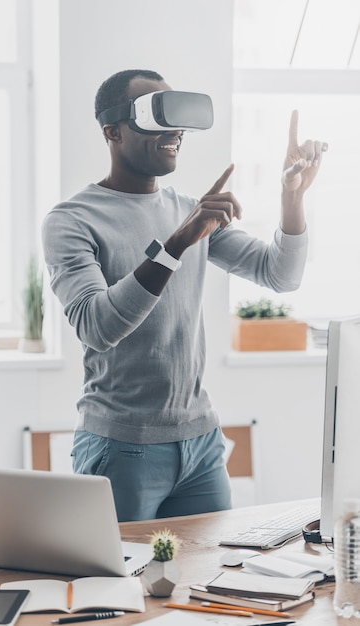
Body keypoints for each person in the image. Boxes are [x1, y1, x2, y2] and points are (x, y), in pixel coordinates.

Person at [42, 69, 327, 522]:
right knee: (121, 590)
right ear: (111, 131)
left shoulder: (188, 210)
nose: (175, 130)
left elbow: (280, 274)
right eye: (157, 116)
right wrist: (176, 244)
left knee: (207, 584)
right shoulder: (72, 220)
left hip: (201, 446)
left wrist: (291, 198)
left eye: (177, 118)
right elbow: (97, 327)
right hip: (121, 448)